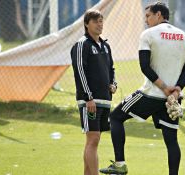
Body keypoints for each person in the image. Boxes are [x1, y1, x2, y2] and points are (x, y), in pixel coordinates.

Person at [99, 2, 185, 175]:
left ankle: (120, 165)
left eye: (148, 16)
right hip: (172, 98)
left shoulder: (148, 34)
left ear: (159, 15)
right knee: (171, 140)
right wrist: (176, 90)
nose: (146, 20)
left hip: (151, 94)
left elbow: (144, 66)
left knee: (115, 117)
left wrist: (164, 88)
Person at [70, 9, 117, 175]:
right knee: (93, 139)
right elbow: (80, 72)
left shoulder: (106, 45)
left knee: (94, 140)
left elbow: (111, 69)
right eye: (96, 21)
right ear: (86, 24)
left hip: (105, 100)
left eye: (101, 21)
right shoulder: (82, 44)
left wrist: (113, 84)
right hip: (89, 101)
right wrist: (88, 98)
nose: (100, 24)